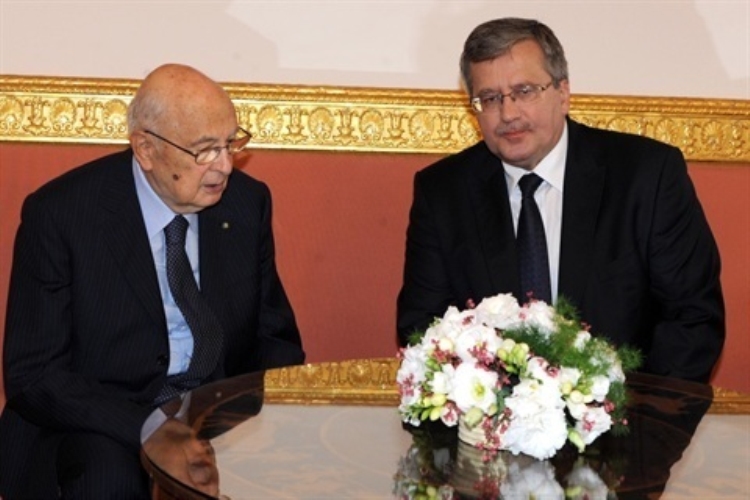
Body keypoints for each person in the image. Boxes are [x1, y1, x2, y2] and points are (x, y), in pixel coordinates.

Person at [0, 63, 305, 498]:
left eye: (231, 144)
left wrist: (272, 421)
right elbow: (34, 374)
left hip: (215, 411)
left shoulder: (246, 203)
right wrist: (149, 427)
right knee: (107, 480)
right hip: (100, 419)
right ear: (145, 148)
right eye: (205, 150)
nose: (224, 166)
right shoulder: (62, 215)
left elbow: (275, 340)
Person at [396, 18, 724, 383]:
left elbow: (693, 319)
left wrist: (626, 411)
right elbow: (423, 330)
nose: (508, 114)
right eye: (489, 99)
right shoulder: (443, 193)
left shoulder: (647, 176)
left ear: (563, 93)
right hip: (491, 416)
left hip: (628, 410)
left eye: (524, 91)